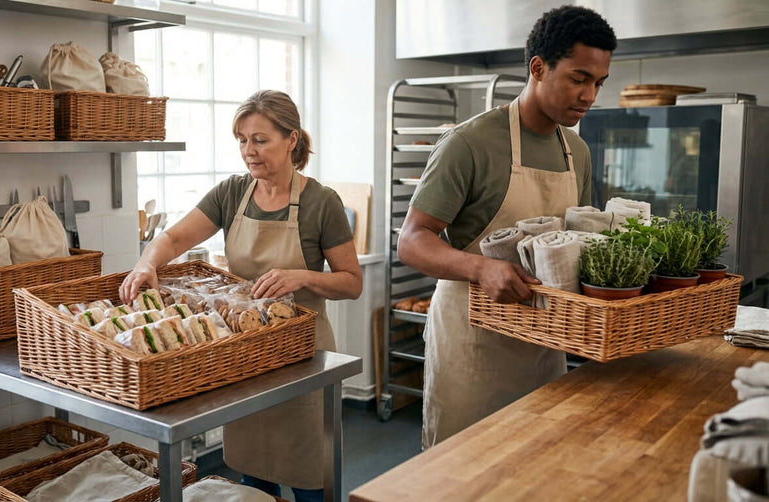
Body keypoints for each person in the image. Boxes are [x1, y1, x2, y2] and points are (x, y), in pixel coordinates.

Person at [119, 89, 362, 501]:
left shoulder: (321, 203)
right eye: (242, 140)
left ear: (291, 139)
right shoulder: (231, 194)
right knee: (254, 482)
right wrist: (147, 263)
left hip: (304, 359)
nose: (249, 151)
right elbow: (174, 238)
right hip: (247, 359)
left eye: (260, 140)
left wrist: (301, 277)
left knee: (311, 483)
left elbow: (351, 282)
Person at [397, 5, 617, 449]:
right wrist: (481, 268)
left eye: (598, 82)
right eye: (578, 78)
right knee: (463, 467)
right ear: (538, 68)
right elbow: (412, 241)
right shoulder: (469, 143)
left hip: (543, 341)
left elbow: (576, 241)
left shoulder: (576, 152)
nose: (590, 95)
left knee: (534, 463)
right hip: (473, 340)